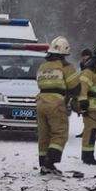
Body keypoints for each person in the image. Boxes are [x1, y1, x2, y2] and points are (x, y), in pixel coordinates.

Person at [35, 36, 82, 175]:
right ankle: (50, 162)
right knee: (60, 133)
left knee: (44, 136)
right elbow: (75, 88)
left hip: (41, 103)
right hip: (55, 104)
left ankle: (44, 164)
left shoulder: (43, 66)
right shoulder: (66, 67)